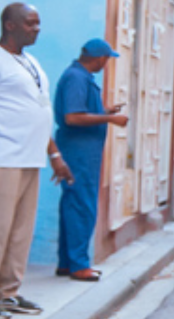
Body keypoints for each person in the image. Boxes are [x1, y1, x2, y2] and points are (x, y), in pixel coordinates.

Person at [0, 3, 75, 319]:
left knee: (19, 231)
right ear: (10, 25)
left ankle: (7, 292)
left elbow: (38, 111)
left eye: (38, 23)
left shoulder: (29, 62)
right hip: (1, 156)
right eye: (31, 23)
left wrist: (54, 154)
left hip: (30, 157)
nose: (37, 29)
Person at [52, 39, 129, 282]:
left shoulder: (80, 78)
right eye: (106, 60)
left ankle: (67, 262)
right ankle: (79, 264)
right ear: (99, 58)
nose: (106, 64)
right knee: (82, 205)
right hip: (79, 152)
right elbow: (73, 117)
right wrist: (110, 121)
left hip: (83, 151)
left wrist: (104, 111)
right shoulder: (77, 78)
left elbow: (81, 110)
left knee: (73, 204)